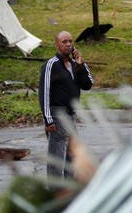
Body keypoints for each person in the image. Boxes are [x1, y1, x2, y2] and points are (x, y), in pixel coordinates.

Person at [39, 31, 94, 179]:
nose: (68, 44)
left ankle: (68, 190)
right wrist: (48, 119)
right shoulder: (51, 65)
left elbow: (88, 84)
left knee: (72, 155)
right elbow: (44, 92)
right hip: (57, 114)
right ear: (57, 45)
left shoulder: (76, 64)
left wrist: (81, 65)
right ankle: (56, 191)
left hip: (71, 114)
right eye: (64, 42)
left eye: (70, 41)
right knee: (57, 155)